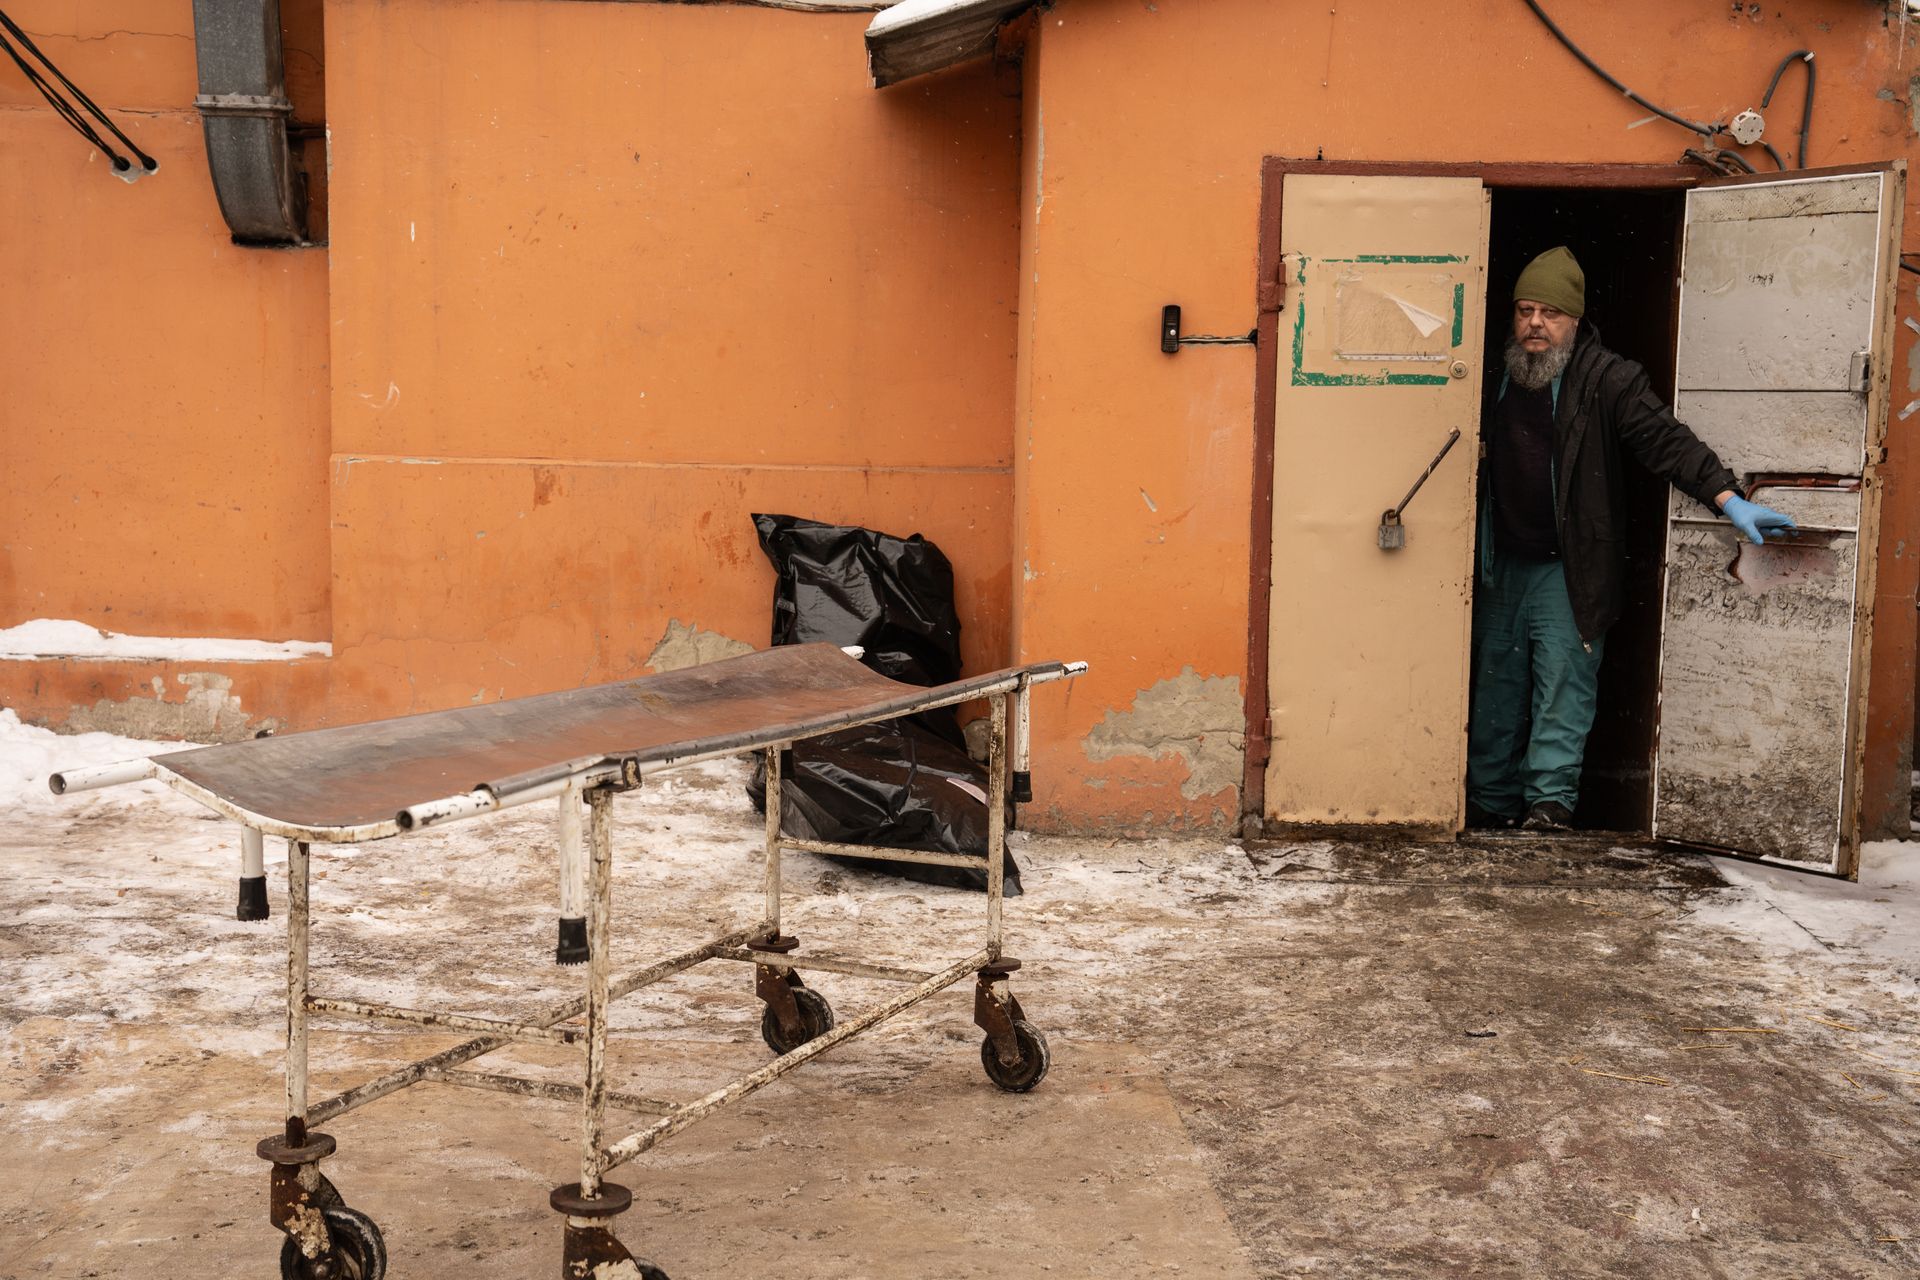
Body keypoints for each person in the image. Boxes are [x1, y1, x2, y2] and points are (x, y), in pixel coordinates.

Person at [1466, 246, 1794, 832]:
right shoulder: (1492, 372)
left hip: (1569, 568)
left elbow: (1664, 440)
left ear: (1575, 320)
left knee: (1562, 692)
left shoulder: (1607, 378)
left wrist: (1727, 496)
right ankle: (1488, 806)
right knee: (1493, 692)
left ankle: (1548, 807)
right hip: (1499, 562)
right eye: (1525, 310)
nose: (1535, 324)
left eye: (1551, 313)